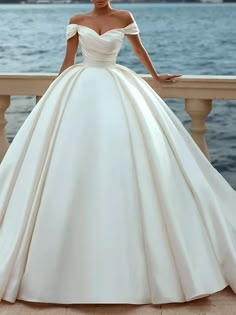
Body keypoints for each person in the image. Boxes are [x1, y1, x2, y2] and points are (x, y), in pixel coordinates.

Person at [0, 0, 236, 306]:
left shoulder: (124, 16)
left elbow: (138, 50)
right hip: (80, 87)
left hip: (116, 83)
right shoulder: (77, 19)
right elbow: (68, 60)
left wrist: (154, 75)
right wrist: (54, 93)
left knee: (122, 149)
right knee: (74, 154)